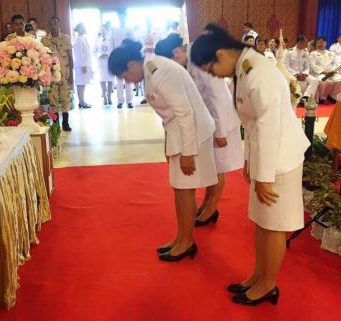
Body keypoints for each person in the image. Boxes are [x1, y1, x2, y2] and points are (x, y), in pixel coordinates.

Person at [191, 24, 310, 306]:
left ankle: (268, 285)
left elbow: (269, 127)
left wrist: (264, 175)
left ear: (221, 54)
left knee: (274, 225)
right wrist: (250, 160)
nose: (213, 75)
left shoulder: (258, 73)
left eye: (210, 69)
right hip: (266, 156)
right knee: (261, 222)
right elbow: (253, 125)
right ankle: (258, 275)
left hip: (280, 159)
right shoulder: (245, 68)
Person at [108, 40, 218, 262]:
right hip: (181, 134)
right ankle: (181, 238)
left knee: (185, 190)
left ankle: (187, 242)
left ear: (131, 64)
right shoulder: (152, 70)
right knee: (179, 190)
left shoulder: (160, 71)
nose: (125, 81)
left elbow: (184, 113)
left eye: (123, 75)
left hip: (193, 134)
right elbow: (169, 116)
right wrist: (169, 146)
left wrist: (187, 152)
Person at [155, 33, 243, 226]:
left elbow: (218, 96)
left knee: (218, 167)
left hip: (221, 121)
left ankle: (211, 208)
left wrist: (220, 131)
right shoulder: (189, 61)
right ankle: (206, 204)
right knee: (212, 166)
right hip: (208, 121)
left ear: (176, 53)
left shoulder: (201, 56)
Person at [42, 16, 74, 131]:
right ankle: (56, 124)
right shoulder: (44, 40)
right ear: (48, 25)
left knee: (66, 99)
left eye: (55, 24)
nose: (53, 26)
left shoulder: (66, 38)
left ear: (59, 24)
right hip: (51, 76)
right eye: (51, 24)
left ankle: (65, 123)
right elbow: (42, 59)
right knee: (53, 99)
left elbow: (70, 58)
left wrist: (72, 76)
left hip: (65, 74)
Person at [284, 35, 318, 105]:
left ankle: (305, 98)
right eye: (305, 42)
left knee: (314, 80)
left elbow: (307, 66)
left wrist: (305, 74)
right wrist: (296, 74)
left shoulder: (306, 53)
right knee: (297, 81)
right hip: (292, 74)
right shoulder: (289, 52)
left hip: (303, 74)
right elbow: (286, 66)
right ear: (299, 42)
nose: (306, 44)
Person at [111, 11, 134, 109]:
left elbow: (133, 43)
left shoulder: (130, 29)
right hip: (118, 57)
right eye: (120, 17)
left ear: (126, 17)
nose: (122, 19)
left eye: (123, 17)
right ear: (118, 18)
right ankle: (120, 101)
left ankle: (129, 101)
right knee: (119, 80)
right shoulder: (114, 30)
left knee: (128, 79)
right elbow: (112, 45)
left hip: (128, 57)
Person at [310, 36, 341, 103]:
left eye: (321, 42)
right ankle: (322, 98)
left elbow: (334, 63)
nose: (319, 44)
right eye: (318, 43)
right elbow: (313, 65)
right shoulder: (313, 53)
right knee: (325, 80)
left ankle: (333, 96)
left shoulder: (331, 53)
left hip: (331, 73)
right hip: (319, 73)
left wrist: (332, 71)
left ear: (325, 43)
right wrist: (323, 72)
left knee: (339, 80)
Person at [73, 23, 92, 108]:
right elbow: (79, 54)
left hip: (84, 64)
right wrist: (83, 65)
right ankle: (81, 101)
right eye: (83, 27)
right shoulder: (78, 39)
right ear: (79, 29)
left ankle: (82, 100)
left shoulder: (83, 38)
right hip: (80, 65)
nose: (84, 29)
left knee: (83, 83)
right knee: (80, 83)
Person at [94, 24, 114, 105]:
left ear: (107, 30)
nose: (103, 32)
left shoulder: (110, 40)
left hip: (109, 62)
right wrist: (99, 55)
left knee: (110, 80)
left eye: (104, 30)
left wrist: (108, 54)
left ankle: (109, 97)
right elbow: (94, 51)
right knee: (102, 80)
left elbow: (113, 50)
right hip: (101, 62)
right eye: (101, 30)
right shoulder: (97, 40)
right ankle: (104, 97)